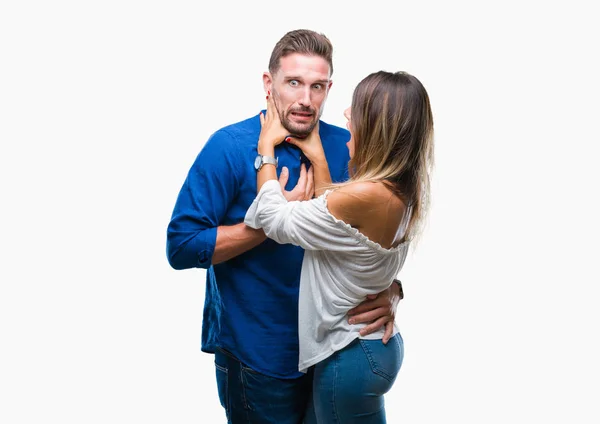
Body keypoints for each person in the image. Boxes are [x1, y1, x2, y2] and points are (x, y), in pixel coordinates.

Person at [166, 29, 404, 423]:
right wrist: (270, 223)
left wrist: (392, 291)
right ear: (268, 83)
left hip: (334, 354)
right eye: (293, 83)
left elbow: (378, 235)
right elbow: (182, 246)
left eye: (317, 86)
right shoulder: (229, 146)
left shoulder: (350, 146)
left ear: (330, 88)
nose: (305, 99)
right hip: (257, 356)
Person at [244, 69, 434, 422]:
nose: (346, 114)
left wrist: (266, 149)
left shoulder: (366, 195)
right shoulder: (400, 189)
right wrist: (318, 158)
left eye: (357, 109)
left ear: (377, 126)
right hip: (370, 348)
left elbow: (273, 219)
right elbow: (336, 230)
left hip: (351, 354)